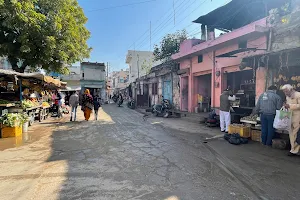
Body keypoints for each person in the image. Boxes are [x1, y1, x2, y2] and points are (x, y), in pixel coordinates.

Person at [282, 84, 300, 156]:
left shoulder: (298, 95)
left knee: (295, 133)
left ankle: (294, 150)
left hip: (298, 117)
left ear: (291, 90)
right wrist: (285, 106)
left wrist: (290, 106)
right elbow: (288, 105)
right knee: (291, 133)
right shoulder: (287, 96)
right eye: (284, 92)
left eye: (286, 91)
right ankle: (293, 148)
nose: (285, 93)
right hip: (290, 117)